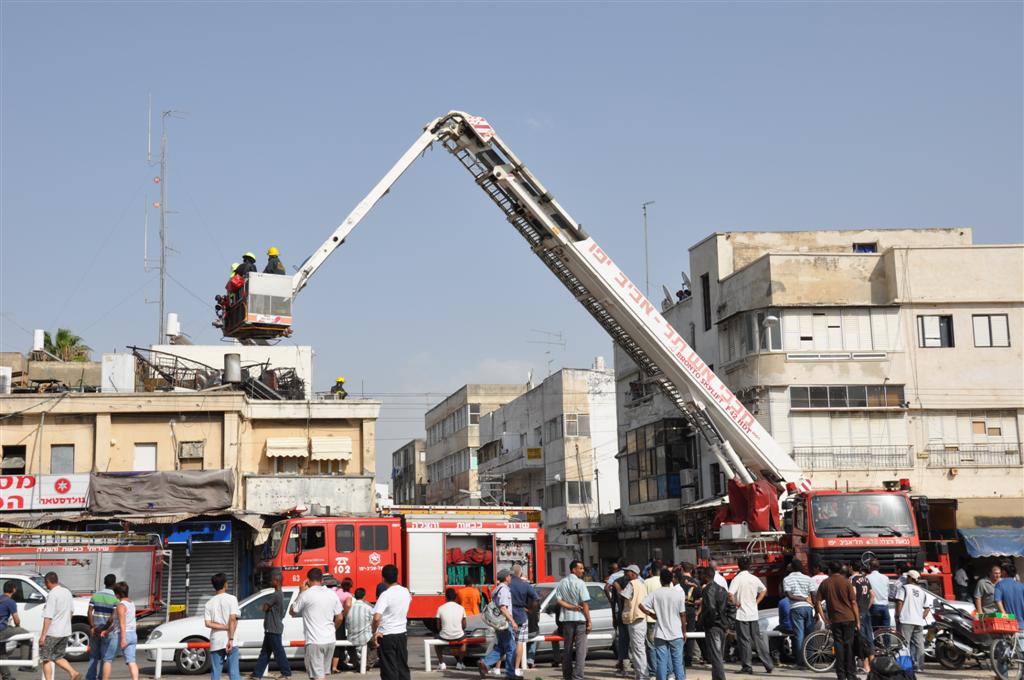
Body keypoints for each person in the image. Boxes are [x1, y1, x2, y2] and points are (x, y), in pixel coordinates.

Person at [291, 568, 343, 680]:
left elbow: (292, 612)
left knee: (317, 676)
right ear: (322, 580)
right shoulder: (332, 594)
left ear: (308, 580)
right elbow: (339, 617)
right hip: (330, 640)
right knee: (321, 674)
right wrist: (333, 629)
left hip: (314, 641)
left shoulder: (306, 594)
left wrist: (300, 592)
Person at [815, 562, 860, 680]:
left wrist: (824, 618)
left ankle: (841, 675)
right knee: (849, 646)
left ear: (830, 570)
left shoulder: (825, 583)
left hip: (835, 619)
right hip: (849, 618)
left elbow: (817, 601)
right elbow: (853, 602)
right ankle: (851, 675)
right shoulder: (847, 582)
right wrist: (858, 620)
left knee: (839, 647)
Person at [729, 555, 772, 675]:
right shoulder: (754, 578)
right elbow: (763, 590)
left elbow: (730, 594)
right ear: (749, 566)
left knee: (744, 641)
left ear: (738, 566)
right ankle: (768, 664)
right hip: (753, 613)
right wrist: (756, 602)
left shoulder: (737, 579)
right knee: (757, 639)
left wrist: (736, 603)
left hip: (742, 614)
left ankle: (747, 666)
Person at [639, 569, 685, 680]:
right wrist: (684, 631)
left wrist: (652, 614)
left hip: (660, 633)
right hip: (676, 633)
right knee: (678, 663)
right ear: (671, 580)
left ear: (660, 580)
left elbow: (641, 605)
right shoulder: (678, 594)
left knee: (661, 662)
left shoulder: (655, 594)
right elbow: (683, 614)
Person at [372, 564, 411, 680]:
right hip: (402, 634)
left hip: (387, 635)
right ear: (396, 576)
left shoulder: (385, 595)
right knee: (402, 667)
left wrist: (374, 632)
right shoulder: (405, 591)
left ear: (383, 578)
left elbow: (376, 618)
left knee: (389, 669)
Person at [554, 560, 592, 680]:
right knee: (581, 650)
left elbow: (559, 600)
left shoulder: (562, 582)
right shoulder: (580, 583)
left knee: (567, 649)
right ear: (573, 569)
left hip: (567, 619)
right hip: (580, 619)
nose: (583, 571)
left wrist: (571, 607)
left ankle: (567, 676)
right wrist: (589, 621)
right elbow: (585, 603)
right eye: (580, 568)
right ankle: (578, 676)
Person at [38, 572, 80, 680]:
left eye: (45, 583)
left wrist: (43, 636)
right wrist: (66, 624)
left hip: (53, 632)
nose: (45, 585)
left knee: (46, 659)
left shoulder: (52, 594)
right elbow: (71, 611)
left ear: (48, 581)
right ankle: (73, 672)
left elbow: (48, 617)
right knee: (57, 657)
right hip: (65, 631)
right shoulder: (67, 592)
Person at [251, 568, 292, 680]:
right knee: (265, 652)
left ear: (277, 581)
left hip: (273, 628)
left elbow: (264, 607)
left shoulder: (276, 595)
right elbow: (266, 607)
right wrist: (266, 607)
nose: (270, 581)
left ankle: (286, 673)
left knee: (278, 652)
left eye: (272, 580)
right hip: (271, 628)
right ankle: (257, 674)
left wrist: (265, 606)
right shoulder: (278, 594)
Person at [478, 569, 516, 680]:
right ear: (506, 577)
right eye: (510, 576)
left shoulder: (497, 589)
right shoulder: (504, 590)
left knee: (502, 647)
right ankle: (510, 674)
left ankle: (485, 663)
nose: (511, 577)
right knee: (511, 648)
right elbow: (503, 607)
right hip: (504, 623)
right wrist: (512, 621)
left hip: (497, 623)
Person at [894, 570, 932, 674]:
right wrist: (920, 617)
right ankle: (920, 666)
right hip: (918, 622)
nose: (906, 578)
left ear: (910, 578)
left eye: (908, 577)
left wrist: (897, 615)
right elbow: (927, 608)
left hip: (906, 620)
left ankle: (905, 666)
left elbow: (899, 602)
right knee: (919, 644)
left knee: (904, 644)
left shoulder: (904, 588)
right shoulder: (922, 591)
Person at [99, 582, 139, 680]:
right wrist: (107, 631)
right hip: (133, 634)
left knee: (107, 659)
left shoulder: (121, 605)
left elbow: (122, 623)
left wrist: (123, 639)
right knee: (131, 661)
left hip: (121, 635)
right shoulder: (131, 603)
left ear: (117, 594)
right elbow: (117, 623)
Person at [205, 573, 241, 680]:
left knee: (216, 673)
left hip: (216, 640)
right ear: (225, 584)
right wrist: (231, 638)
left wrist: (224, 627)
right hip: (230, 639)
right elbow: (233, 619)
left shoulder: (209, 603)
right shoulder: (232, 599)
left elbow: (208, 623)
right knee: (234, 673)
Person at [696, 567, 728, 680]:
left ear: (705, 576)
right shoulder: (722, 589)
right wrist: (727, 623)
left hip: (713, 626)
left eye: (701, 575)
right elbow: (728, 607)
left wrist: (704, 622)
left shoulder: (707, 589)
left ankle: (720, 678)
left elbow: (711, 608)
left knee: (716, 655)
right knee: (718, 655)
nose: (700, 577)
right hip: (722, 625)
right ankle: (716, 677)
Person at [783, 559, 816, 669]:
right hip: (808, 608)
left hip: (796, 608)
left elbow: (789, 595)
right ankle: (811, 661)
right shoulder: (808, 578)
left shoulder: (787, 579)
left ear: (792, 567)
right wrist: (816, 610)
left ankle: (800, 662)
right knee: (810, 635)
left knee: (799, 636)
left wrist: (802, 599)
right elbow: (814, 595)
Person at [85, 574, 119, 680]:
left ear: (104, 582)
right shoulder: (115, 599)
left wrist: (92, 626)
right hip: (107, 632)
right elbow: (111, 619)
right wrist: (104, 629)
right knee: (105, 657)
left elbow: (89, 612)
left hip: (95, 630)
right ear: (114, 584)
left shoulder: (95, 596)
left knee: (93, 656)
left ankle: (90, 677)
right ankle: (101, 677)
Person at [618, 565, 648, 680]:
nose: (626, 574)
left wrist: (617, 587)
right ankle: (641, 674)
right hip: (641, 618)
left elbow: (623, 595)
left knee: (638, 650)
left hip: (635, 619)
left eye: (628, 572)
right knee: (639, 649)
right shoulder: (642, 584)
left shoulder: (632, 584)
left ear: (634, 573)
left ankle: (642, 676)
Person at [509, 564, 539, 674]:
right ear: (520, 573)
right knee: (520, 643)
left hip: (507, 616)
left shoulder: (506, 584)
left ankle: (503, 667)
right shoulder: (525, 585)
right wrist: (530, 610)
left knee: (507, 642)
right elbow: (536, 599)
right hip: (521, 616)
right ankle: (517, 668)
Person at [0, 580, 29, 680]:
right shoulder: (10, 602)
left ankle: (6, 676)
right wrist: (18, 627)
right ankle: (24, 664)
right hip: (2, 631)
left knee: (1, 652)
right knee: (26, 635)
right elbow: (16, 619)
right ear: (13, 589)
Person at [850, 563, 874, 674]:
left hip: (858, 611)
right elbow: (872, 595)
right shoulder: (866, 579)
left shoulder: (853, 579)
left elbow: (853, 596)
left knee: (861, 639)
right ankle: (873, 666)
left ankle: (866, 666)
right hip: (866, 611)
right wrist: (867, 607)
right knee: (869, 638)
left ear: (851, 567)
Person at [434, 588, 467, 671]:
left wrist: (443, 631)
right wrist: (459, 630)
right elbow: (464, 625)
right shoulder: (461, 608)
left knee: (436, 642)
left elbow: (438, 626)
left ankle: (441, 663)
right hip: (458, 635)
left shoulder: (440, 608)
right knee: (464, 642)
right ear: (455, 597)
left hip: (444, 636)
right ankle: (460, 663)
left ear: (446, 597)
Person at [346, 589, 374, 671]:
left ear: (354, 596)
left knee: (350, 647)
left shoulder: (349, 609)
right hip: (365, 637)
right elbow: (373, 622)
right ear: (364, 596)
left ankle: (356, 664)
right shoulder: (368, 608)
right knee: (375, 645)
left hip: (352, 638)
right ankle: (368, 664)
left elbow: (347, 625)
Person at [678, 563, 701, 666]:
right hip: (691, 610)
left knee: (679, 633)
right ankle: (689, 659)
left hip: (680, 610)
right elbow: (700, 598)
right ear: (691, 570)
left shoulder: (678, 581)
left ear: (682, 569)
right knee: (690, 634)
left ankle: (679, 657)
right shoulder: (696, 582)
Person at [643, 563, 664, 673]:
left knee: (651, 645)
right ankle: (663, 669)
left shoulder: (646, 582)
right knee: (663, 645)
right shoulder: (666, 582)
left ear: (651, 571)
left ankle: (653, 671)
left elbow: (643, 601)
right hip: (664, 619)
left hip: (650, 618)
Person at [332, 578, 356, 673]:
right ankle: (334, 667)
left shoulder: (334, 590)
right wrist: (344, 614)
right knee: (339, 641)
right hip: (339, 618)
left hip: (330, 616)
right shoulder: (348, 595)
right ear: (350, 586)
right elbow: (348, 605)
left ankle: (328, 665)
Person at [865, 559, 892, 631]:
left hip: (874, 606)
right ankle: (886, 639)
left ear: (869, 566)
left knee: (873, 631)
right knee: (886, 631)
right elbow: (888, 592)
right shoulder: (885, 577)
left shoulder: (867, 578)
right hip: (885, 606)